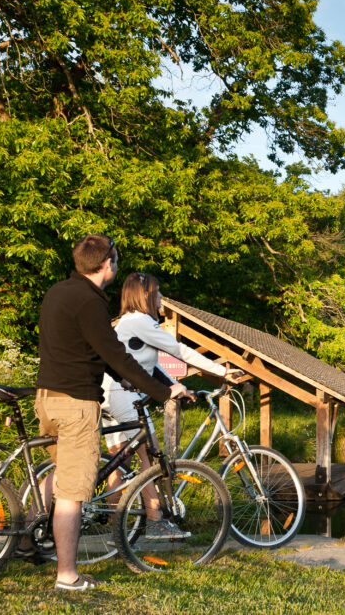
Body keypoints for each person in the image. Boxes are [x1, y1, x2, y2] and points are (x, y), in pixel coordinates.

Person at [35, 234, 191, 592]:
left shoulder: (58, 292)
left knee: (59, 473)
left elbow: (93, 354)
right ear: (108, 263)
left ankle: (27, 540)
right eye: (116, 260)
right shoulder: (90, 302)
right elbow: (115, 355)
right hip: (76, 403)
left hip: (48, 396)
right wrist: (162, 390)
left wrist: (129, 380)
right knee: (74, 492)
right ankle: (67, 575)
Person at [100, 271, 242, 538]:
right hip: (122, 393)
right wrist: (222, 371)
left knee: (120, 462)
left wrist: (179, 389)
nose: (162, 297)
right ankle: (155, 522)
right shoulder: (140, 321)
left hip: (108, 392)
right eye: (158, 291)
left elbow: (149, 367)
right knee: (150, 457)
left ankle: (113, 527)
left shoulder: (127, 323)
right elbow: (179, 350)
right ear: (145, 295)